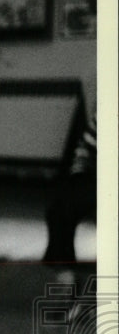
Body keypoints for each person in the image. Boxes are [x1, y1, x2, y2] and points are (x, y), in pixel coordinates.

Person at [43, 111, 96, 276]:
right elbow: (84, 151)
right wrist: (78, 176)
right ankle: (64, 265)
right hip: (94, 177)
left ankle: (64, 267)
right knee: (60, 208)